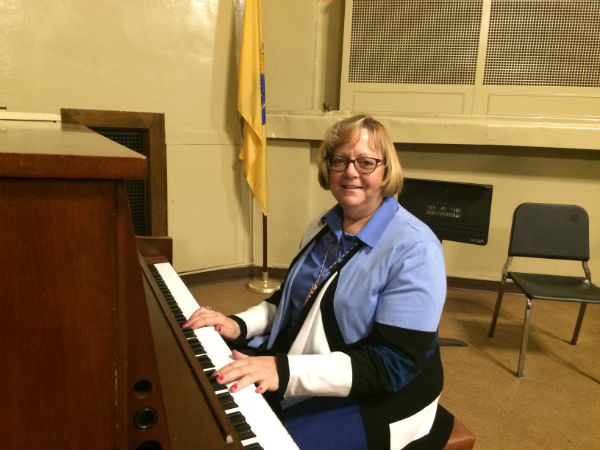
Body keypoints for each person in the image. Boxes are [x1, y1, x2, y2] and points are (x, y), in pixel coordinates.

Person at [184, 114, 448, 450]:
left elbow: (394, 364)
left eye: (366, 162)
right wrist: (237, 325)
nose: (351, 171)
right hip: (313, 361)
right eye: (340, 160)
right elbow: (290, 302)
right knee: (213, 386)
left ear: (386, 171)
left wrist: (283, 370)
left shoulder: (415, 248)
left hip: (383, 390)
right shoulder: (322, 227)